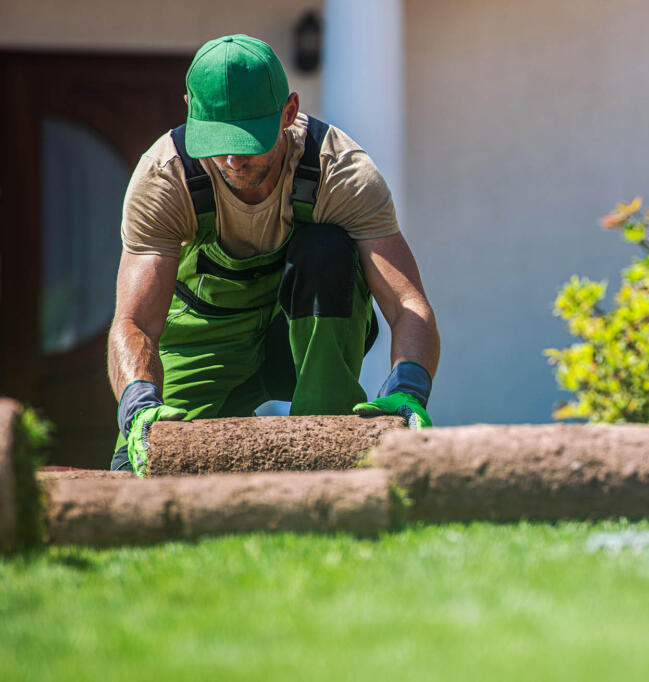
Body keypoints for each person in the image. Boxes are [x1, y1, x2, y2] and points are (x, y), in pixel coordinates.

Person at [108, 34, 440, 476]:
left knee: (327, 249)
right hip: (205, 338)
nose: (231, 160)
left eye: (247, 140)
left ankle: (328, 438)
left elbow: (407, 305)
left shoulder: (340, 172)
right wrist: (137, 403)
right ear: (189, 107)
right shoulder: (165, 178)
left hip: (308, 335)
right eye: (215, 139)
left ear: (289, 112)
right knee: (135, 470)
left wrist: (409, 389)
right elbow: (134, 321)